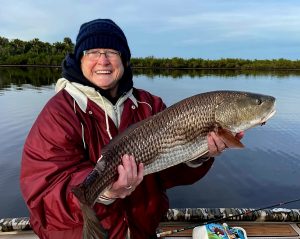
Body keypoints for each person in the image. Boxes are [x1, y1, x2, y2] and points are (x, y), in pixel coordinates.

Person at [20, 19, 244, 239]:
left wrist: (200, 155)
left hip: (141, 231)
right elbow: (42, 195)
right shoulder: (59, 113)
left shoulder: (150, 105)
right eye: (93, 51)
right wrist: (105, 191)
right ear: (79, 59)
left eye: (112, 51)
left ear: (124, 60)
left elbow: (167, 174)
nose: (103, 60)